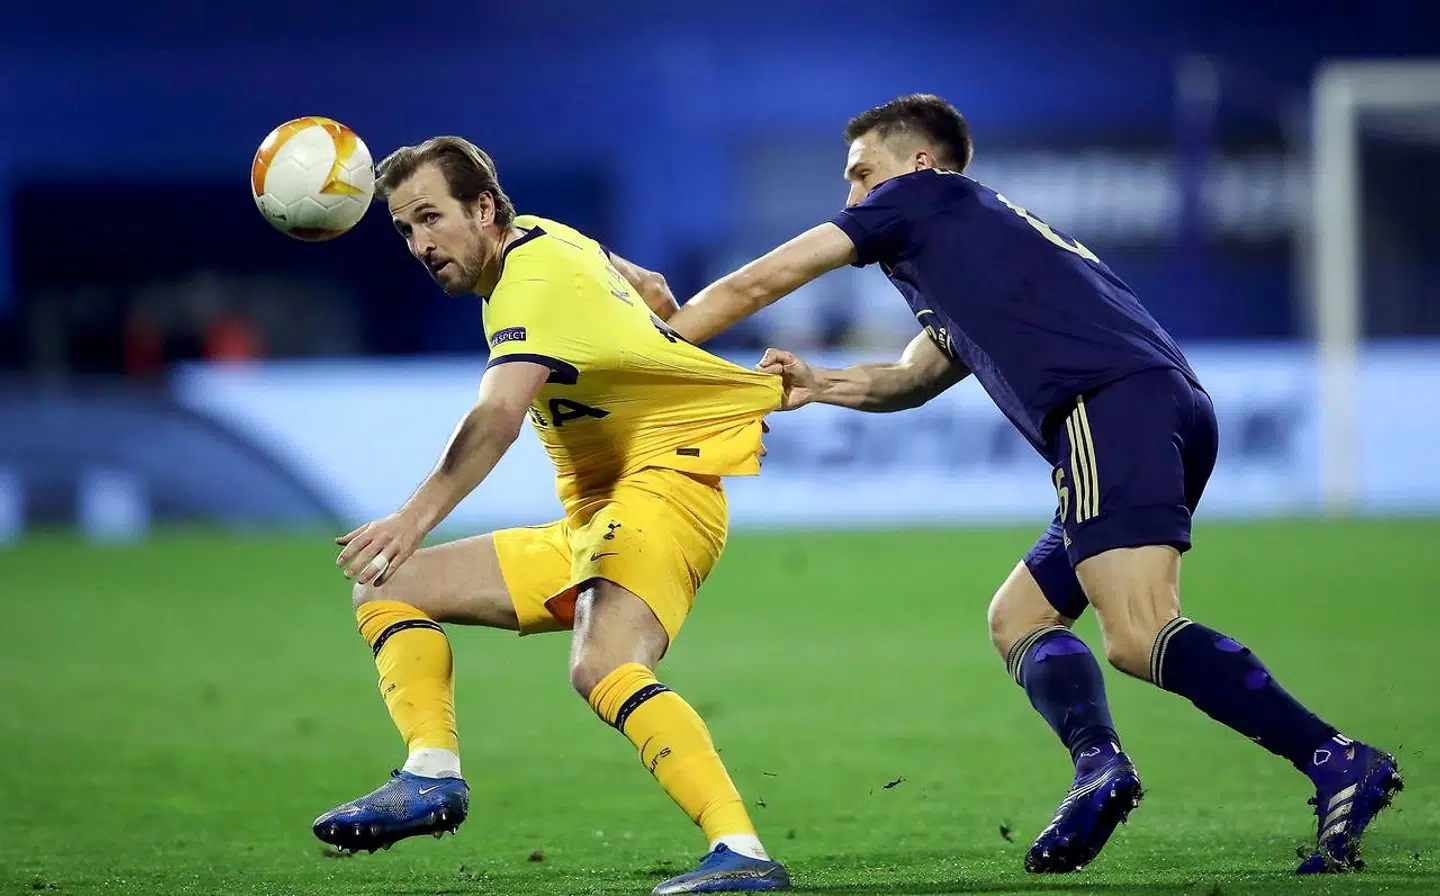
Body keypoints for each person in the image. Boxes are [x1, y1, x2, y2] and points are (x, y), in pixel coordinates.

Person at [663, 94, 1402, 875]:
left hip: (1109, 409)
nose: (852, 197)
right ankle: (1099, 768)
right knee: (1020, 618)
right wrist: (821, 382)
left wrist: (652, 347)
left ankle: (1333, 756)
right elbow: (909, 380)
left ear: (918, 164)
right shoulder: (969, 245)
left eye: (862, 174)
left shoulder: (918, 201)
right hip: (1160, 407)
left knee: (1139, 632)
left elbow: (755, 284)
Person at [311, 136, 791, 894]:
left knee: (603, 663)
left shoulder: (528, 283)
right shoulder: (550, 238)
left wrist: (411, 518)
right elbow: (656, 289)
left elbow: (498, 417)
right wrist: (643, 339)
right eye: (404, 229)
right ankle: (431, 775)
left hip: (665, 488)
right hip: (601, 515)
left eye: (431, 218)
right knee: (385, 589)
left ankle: (745, 855)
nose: (420, 243)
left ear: (483, 208)